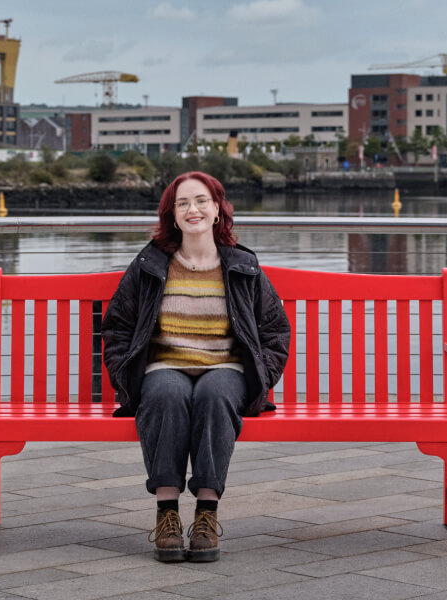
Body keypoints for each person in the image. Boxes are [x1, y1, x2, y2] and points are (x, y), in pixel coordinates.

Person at [101, 171, 291, 563]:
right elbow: (117, 325)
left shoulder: (243, 266)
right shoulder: (150, 264)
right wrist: (126, 375)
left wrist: (262, 376)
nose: (194, 209)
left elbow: (275, 329)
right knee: (166, 395)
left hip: (226, 368)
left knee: (214, 394)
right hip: (163, 366)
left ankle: (206, 513)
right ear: (172, 215)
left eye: (202, 200)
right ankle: (166, 514)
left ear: (218, 209)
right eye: (183, 203)